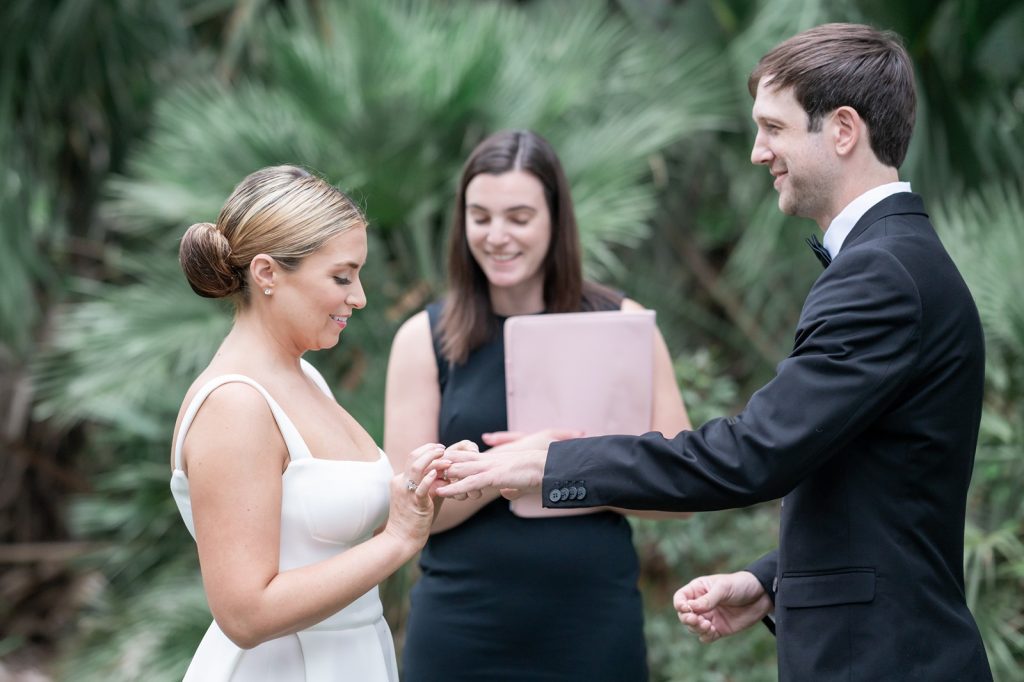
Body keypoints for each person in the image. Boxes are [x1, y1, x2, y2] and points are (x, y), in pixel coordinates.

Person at [437, 25, 994, 681]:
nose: (759, 152)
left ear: (843, 130)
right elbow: (874, 487)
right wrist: (771, 581)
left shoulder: (881, 276)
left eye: (774, 128)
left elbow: (754, 453)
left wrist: (554, 462)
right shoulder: (894, 263)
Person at [383, 129, 692, 681]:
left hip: (591, 625)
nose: (497, 236)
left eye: (519, 217)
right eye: (480, 217)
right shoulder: (423, 338)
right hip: (461, 629)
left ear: (556, 219)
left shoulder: (623, 324)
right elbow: (406, 512)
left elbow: (682, 489)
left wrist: (563, 466)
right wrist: (513, 462)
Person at [170, 165, 446, 681]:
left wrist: (420, 486)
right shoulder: (235, 404)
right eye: (341, 277)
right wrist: (398, 542)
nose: (359, 297)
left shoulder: (306, 378)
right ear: (268, 273)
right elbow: (245, 614)